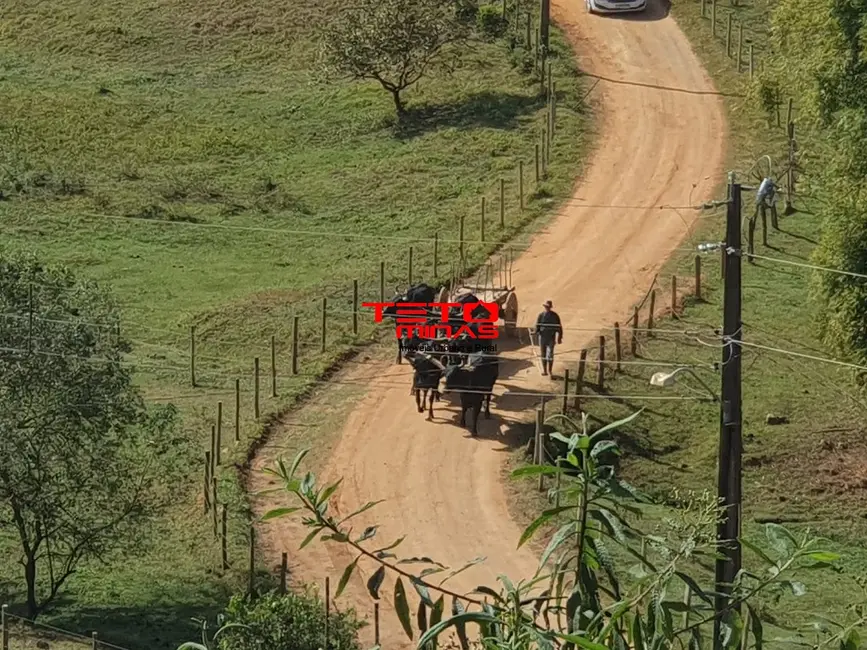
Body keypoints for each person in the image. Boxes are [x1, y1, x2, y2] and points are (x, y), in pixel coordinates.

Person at [534, 300, 562, 377]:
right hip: (542, 337)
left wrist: (559, 337)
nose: (547, 308)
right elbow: (537, 325)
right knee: (543, 354)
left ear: (550, 307)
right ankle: (545, 370)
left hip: (551, 337)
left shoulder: (555, 316)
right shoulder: (541, 315)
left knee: (550, 355)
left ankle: (550, 371)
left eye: (548, 307)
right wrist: (535, 332)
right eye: (546, 307)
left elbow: (559, 327)